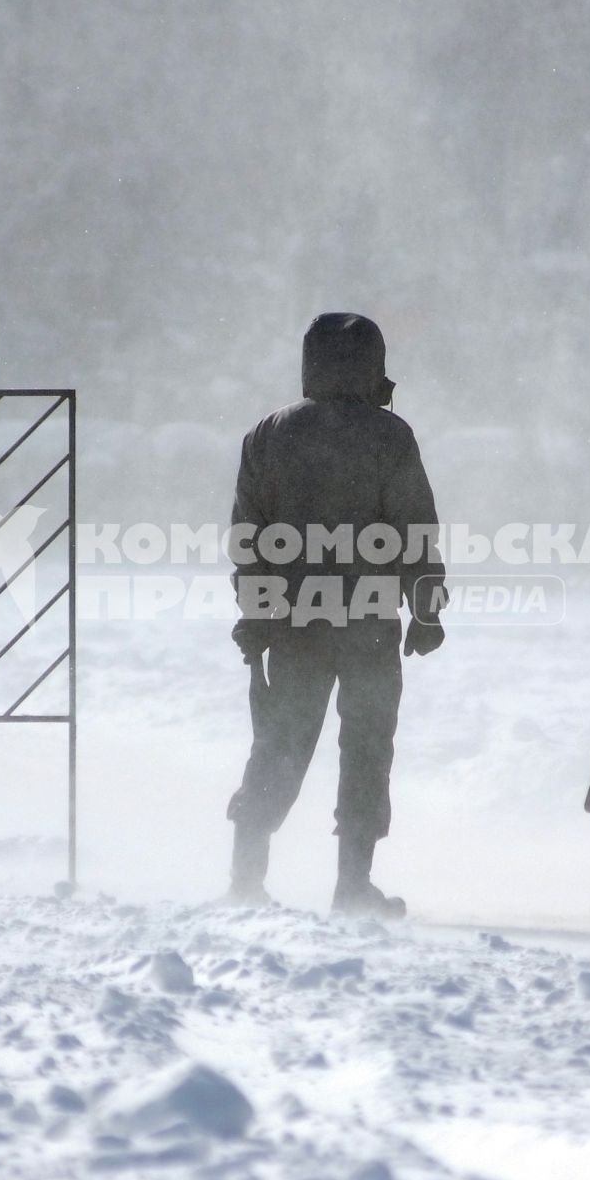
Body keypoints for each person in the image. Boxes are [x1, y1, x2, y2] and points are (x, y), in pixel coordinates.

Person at [224, 313, 445, 917]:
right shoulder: (390, 436)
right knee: (368, 745)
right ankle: (353, 883)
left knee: (280, 743)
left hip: (294, 623)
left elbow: (249, 537)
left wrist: (255, 612)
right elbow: (415, 531)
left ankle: (245, 878)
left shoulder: (267, 435)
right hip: (370, 621)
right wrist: (426, 607)